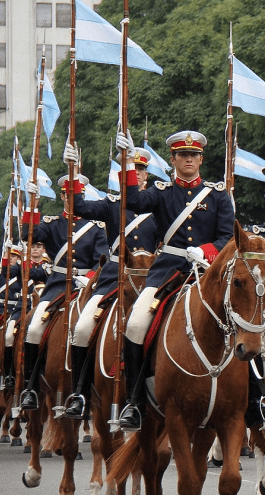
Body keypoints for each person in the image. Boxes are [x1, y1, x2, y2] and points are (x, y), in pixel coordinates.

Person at [115, 129, 235, 431]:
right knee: (136, 323)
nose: (189, 159)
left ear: (201, 159)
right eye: (183, 155)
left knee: (243, 322)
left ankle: (258, 398)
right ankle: (135, 401)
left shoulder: (218, 195)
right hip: (167, 272)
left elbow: (227, 237)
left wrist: (207, 251)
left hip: (209, 274)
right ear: (173, 159)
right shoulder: (162, 192)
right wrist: (127, 163)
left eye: (194, 155)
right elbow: (133, 202)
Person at [63, 146, 160, 419]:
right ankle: (80, 393)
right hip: (115, 275)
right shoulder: (110, 205)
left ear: (146, 177)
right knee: (82, 328)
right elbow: (76, 207)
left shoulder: (156, 205)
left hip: (151, 275)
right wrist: (73, 173)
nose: (137, 174)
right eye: (133, 170)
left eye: (141, 171)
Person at [18, 174, 109, 411]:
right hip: (58, 284)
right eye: (68, 195)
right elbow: (29, 235)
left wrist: (88, 279)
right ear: (62, 196)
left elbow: (102, 260)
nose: (72, 199)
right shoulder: (52, 222)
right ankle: (31, 387)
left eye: (76, 195)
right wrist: (31, 205)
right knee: (35, 326)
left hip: (88, 286)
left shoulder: (97, 227)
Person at [1, 243, 47, 390]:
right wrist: (6, 256)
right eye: (32, 246)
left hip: (43, 304)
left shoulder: (49, 265)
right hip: (24, 305)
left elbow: (45, 277)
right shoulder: (22, 264)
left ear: (44, 250)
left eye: (39, 247)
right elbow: (5, 272)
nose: (35, 249)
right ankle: (10, 375)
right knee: (8, 335)